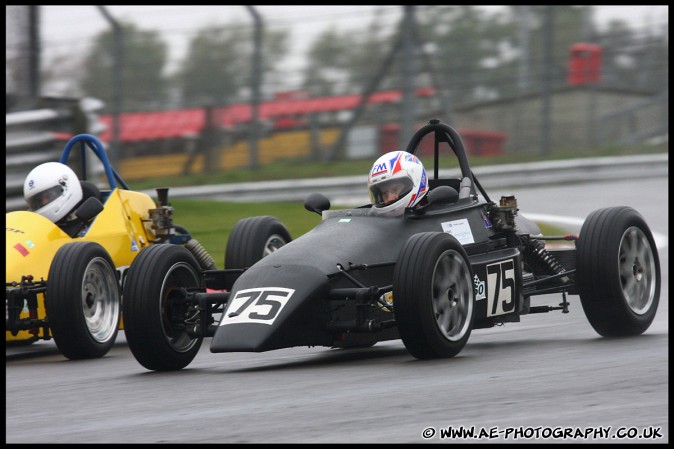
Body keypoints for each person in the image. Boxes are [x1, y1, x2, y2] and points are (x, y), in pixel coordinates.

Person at [367, 150, 429, 217]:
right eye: (384, 193)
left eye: (395, 190)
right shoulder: (374, 221)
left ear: (416, 180)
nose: (390, 199)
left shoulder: (436, 215)